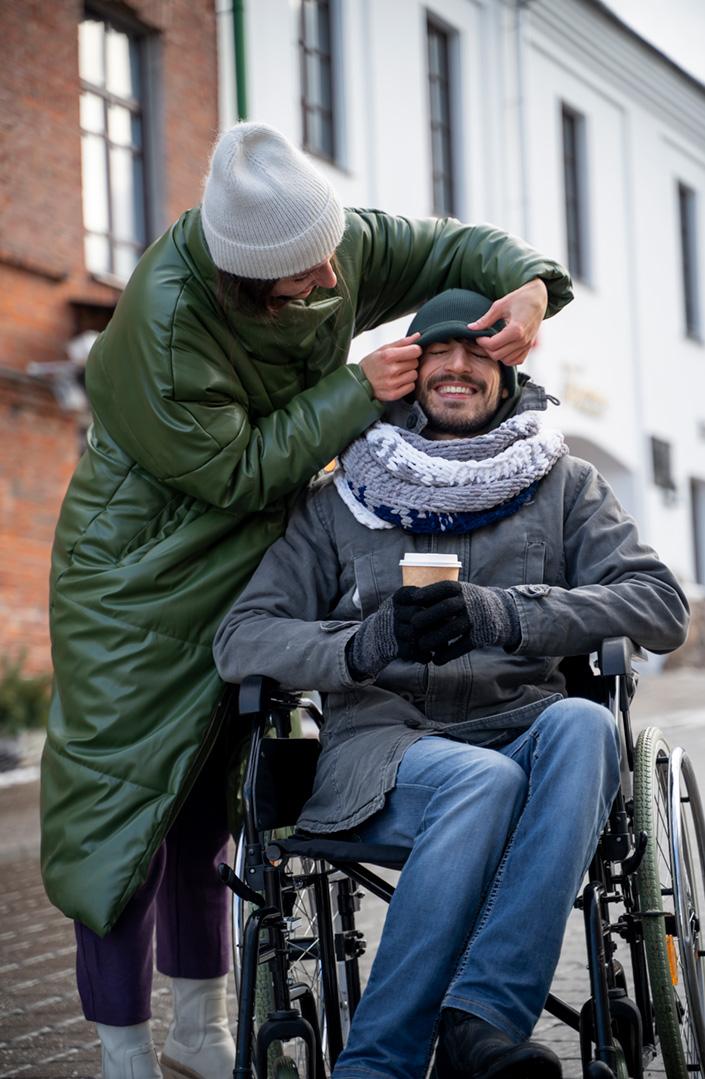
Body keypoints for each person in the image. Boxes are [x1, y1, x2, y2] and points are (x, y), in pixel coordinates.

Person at [39, 120, 574, 1079]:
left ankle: (201, 1040)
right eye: (307, 280)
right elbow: (236, 471)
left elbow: (449, 248)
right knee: (121, 824)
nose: (334, 284)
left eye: (333, 261)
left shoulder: (325, 243)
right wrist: (354, 391)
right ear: (248, 281)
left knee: (210, 812)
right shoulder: (163, 325)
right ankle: (123, 1055)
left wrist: (531, 283)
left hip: (252, 562)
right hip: (141, 581)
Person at [213, 287, 690, 1079]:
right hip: (382, 750)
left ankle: (478, 1021)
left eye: (481, 350)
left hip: (524, 722)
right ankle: (376, 1063)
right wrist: (363, 643)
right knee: (480, 778)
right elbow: (243, 638)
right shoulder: (342, 500)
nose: (459, 365)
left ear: (507, 372)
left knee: (583, 725)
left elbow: (660, 606)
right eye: (439, 350)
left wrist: (509, 615)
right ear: (411, 370)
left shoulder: (563, 485)